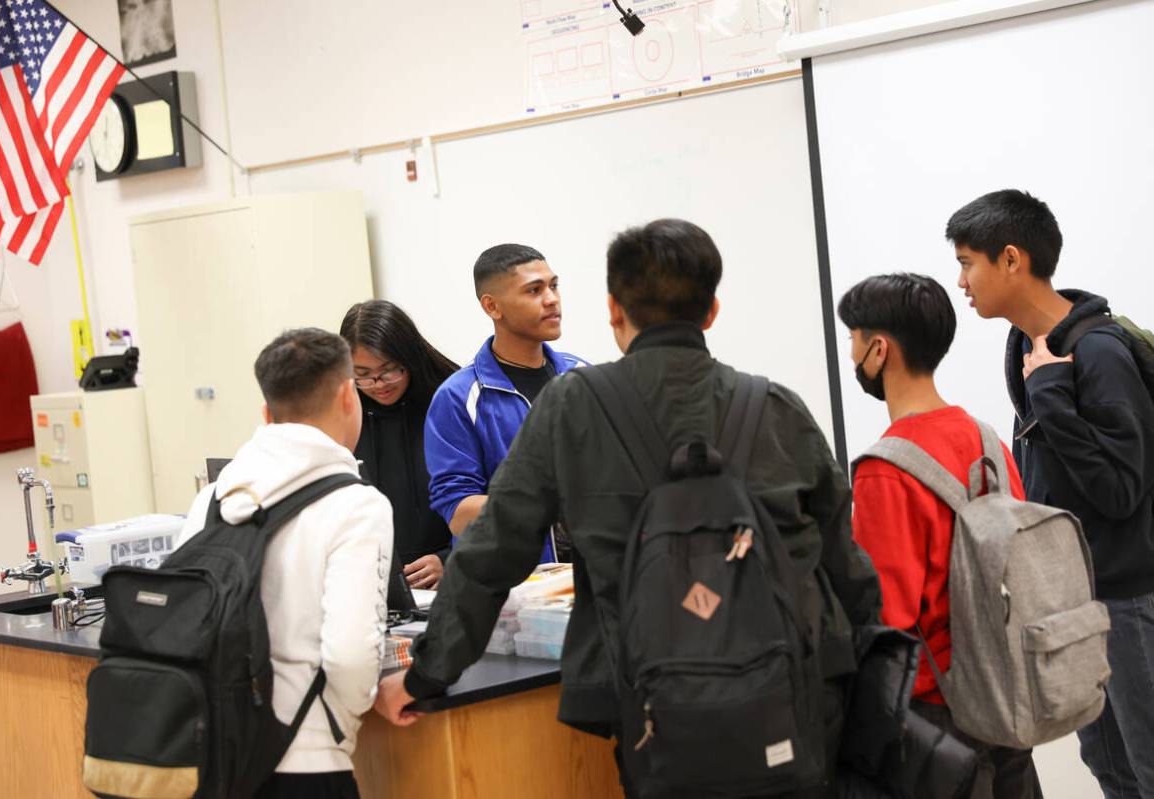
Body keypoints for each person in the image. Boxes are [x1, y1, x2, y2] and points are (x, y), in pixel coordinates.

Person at [377, 219, 882, 796]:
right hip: (795, 697)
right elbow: (844, 558)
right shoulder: (774, 405)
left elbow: (493, 551)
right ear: (712, 311)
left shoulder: (575, 404)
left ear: (615, 310)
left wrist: (426, 672)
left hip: (654, 705)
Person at [948, 189, 1154, 799]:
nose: (961, 280)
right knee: (1112, 768)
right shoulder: (1027, 348)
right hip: (1076, 601)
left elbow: (1119, 491)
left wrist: (1054, 398)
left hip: (1129, 600)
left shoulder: (1097, 351)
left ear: (1011, 259)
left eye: (967, 262)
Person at [838, 272, 1039, 797]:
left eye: (854, 339)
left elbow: (890, 622)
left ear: (879, 350)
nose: (852, 352)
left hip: (940, 719)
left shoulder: (885, 469)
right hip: (1005, 699)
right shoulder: (987, 437)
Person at [176, 328, 393, 799]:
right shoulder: (357, 505)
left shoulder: (213, 498)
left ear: (266, 413)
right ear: (346, 394)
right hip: (307, 757)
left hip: (216, 754)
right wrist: (340, 722)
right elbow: (352, 654)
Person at [423, 243, 588, 562]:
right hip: (506, 592)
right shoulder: (458, 397)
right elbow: (458, 513)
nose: (552, 299)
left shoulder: (582, 376)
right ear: (492, 307)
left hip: (588, 580)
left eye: (553, 286)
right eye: (534, 290)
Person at [341, 300, 459, 589]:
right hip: (374, 586)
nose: (378, 384)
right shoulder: (345, 415)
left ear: (410, 357)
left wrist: (451, 559)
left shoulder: (450, 403)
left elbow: (485, 502)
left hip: (451, 582)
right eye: (363, 375)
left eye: (389, 369)